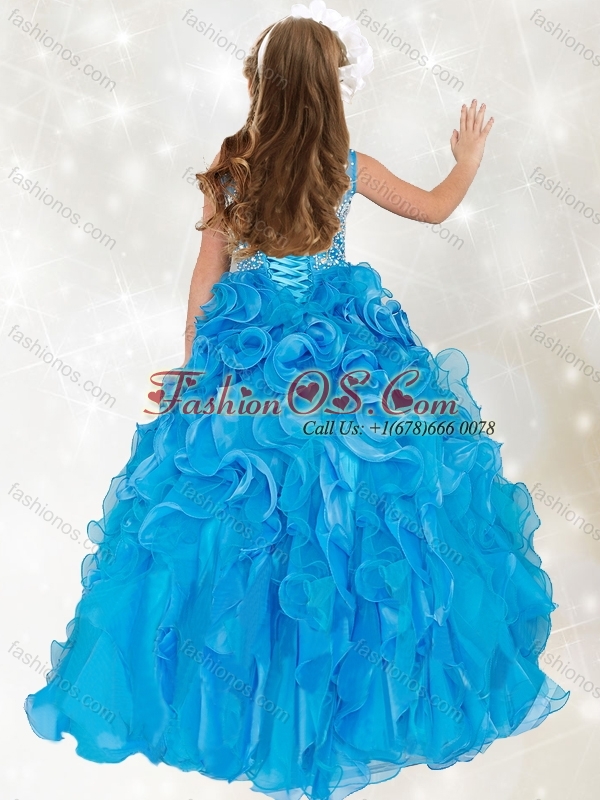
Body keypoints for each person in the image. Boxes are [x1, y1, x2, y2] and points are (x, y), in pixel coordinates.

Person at [25, 3, 569, 799]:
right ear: (329, 87)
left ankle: (252, 696)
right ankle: (345, 692)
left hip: (249, 363)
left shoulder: (233, 167)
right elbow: (435, 206)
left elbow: (206, 280)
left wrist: (198, 375)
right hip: (346, 363)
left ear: (262, 82)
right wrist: (468, 161)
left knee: (251, 521)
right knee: (357, 514)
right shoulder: (346, 165)